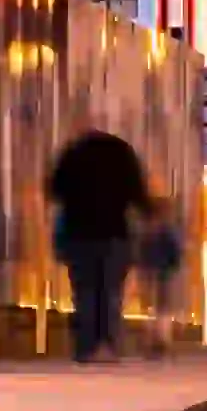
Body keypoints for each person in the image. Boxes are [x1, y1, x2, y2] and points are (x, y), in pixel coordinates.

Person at [47, 127, 153, 361]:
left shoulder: (72, 154)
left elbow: (53, 189)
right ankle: (107, 344)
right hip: (114, 233)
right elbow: (138, 192)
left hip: (79, 233)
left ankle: (85, 347)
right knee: (111, 291)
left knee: (84, 292)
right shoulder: (122, 153)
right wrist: (149, 212)